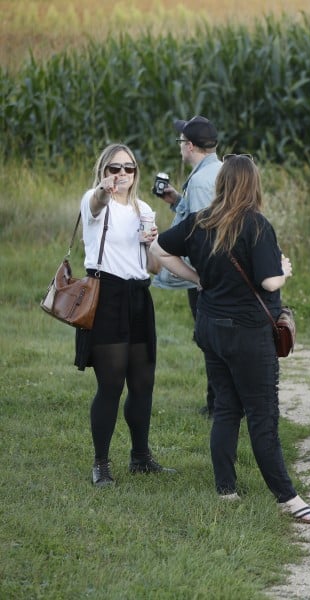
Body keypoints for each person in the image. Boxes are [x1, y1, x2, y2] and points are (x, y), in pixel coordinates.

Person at [149, 154, 310, 524]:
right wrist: (283, 271)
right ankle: (288, 499)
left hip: (210, 327)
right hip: (248, 333)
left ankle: (226, 490)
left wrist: (198, 279)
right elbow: (269, 282)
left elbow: (159, 249)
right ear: (253, 185)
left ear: (221, 184)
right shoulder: (257, 226)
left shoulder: (199, 222)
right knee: (263, 415)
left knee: (227, 408)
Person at [75, 143, 175, 487]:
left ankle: (141, 456)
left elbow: (153, 266)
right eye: (114, 168)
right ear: (104, 171)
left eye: (128, 169)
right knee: (111, 383)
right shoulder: (95, 200)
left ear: (136, 173)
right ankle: (101, 463)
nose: (121, 175)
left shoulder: (144, 208)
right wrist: (103, 192)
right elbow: (95, 204)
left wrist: (150, 244)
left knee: (143, 382)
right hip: (107, 296)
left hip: (138, 296)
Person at [152, 115, 222, 417]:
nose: (180, 145)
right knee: (212, 338)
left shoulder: (203, 182)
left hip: (205, 275)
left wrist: (195, 274)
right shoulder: (216, 170)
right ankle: (219, 402)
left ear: (190, 145)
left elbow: (202, 232)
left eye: (182, 141)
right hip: (211, 273)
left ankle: (218, 405)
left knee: (210, 339)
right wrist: (175, 200)